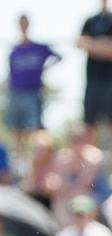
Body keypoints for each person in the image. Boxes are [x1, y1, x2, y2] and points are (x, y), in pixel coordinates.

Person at [7, 14, 61, 158]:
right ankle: (18, 163)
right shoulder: (14, 51)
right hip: (15, 92)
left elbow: (58, 57)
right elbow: (11, 73)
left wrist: (44, 69)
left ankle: (35, 163)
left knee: (35, 130)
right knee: (16, 131)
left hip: (33, 93)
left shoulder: (39, 47)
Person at [78, 0, 112, 167]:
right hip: (92, 81)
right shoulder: (90, 21)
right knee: (90, 126)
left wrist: (93, 45)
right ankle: (91, 169)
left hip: (110, 80)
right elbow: (80, 43)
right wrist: (105, 45)